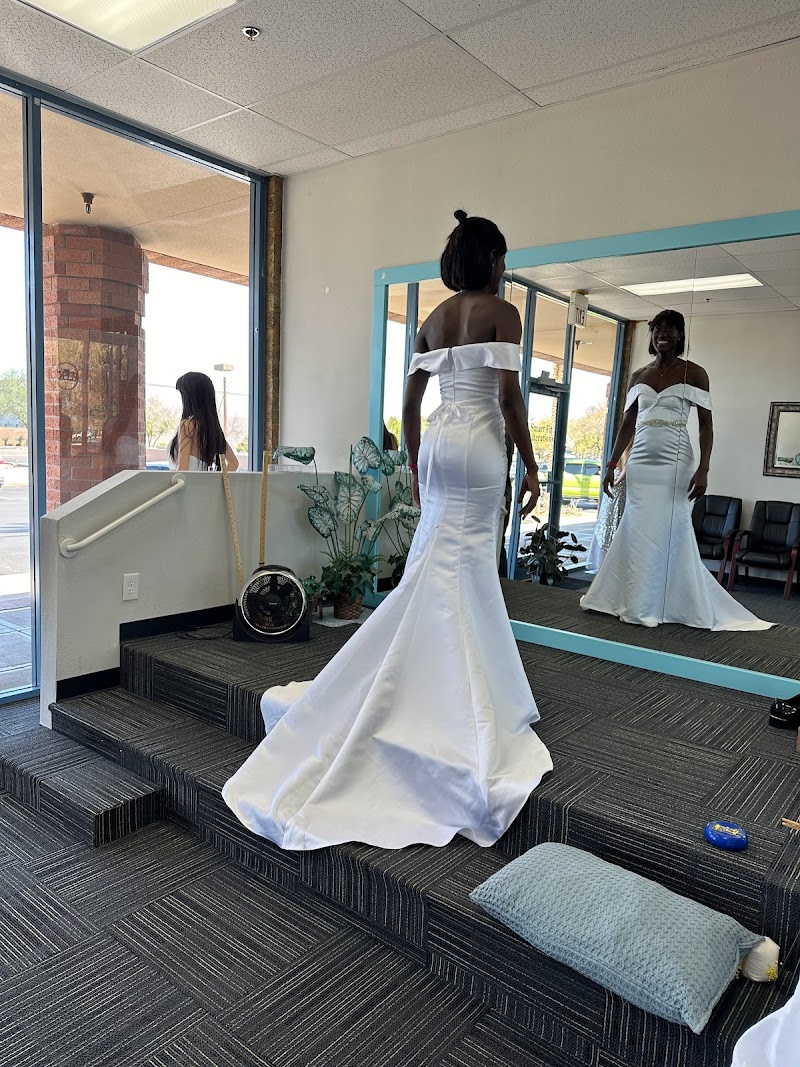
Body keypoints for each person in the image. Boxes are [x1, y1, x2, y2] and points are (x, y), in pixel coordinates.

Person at [223, 209, 552, 851]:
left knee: (436, 558)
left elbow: (407, 404)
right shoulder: (503, 312)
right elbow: (510, 397)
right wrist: (532, 465)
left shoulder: (433, 320)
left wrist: (417, 462)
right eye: (502, 258)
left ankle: (424, 670)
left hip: (441, 442)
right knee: (467, 561)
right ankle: (461, 691)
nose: (503, 267)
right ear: (492, 261)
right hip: (481, 444)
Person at [580, 310, 770, 630]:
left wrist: (704, 467)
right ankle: (631, 597)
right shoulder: (638, 375)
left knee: (671, 529)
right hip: (640, 462)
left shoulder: (694, 373)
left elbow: (706, 425)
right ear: (652, 335)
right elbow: (627, 423)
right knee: (637, 528)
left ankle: (668, 602)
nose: (663, 333)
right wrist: (612, 464)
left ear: (680, 335)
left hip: (676, 462)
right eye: (657, 328)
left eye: (670, 328)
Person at [167, 372, 239, 472]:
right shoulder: (213, 430)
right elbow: (234, 463)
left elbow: (182, 469)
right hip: (203, 481)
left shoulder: (188, 425)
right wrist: (217, 481)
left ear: (189, 397)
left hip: (184, 482)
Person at [585, 442, 631, 573]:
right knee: (610, 524)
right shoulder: (627, 451)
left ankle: (608, 562)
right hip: (616, 491)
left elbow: (626, 469)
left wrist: (616, 482)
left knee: (612, 523)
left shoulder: (629, 451)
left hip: (618, 491)